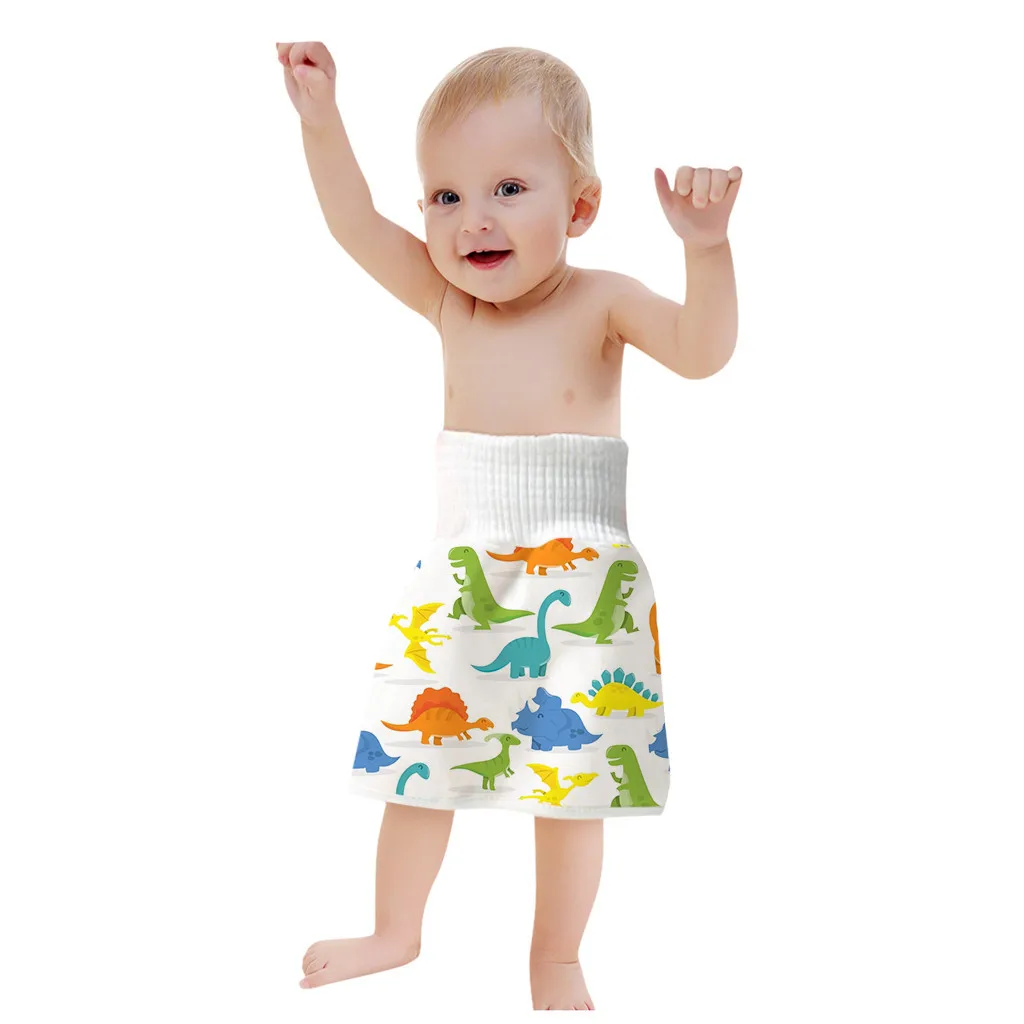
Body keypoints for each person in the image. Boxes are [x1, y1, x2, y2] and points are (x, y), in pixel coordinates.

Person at [277, 40, 741, 1011]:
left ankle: (556, 955)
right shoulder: (449, 301)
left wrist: (705, 250)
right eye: (445, 196)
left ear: (580, 207)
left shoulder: (604, 299)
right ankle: (396, 929)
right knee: (418, 764)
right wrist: (320, 117)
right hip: (462, 570)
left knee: (572, 786)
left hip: (584, 576)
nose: (472, 219)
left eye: (508, 188)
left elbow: (701, 354)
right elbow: (352, 221)